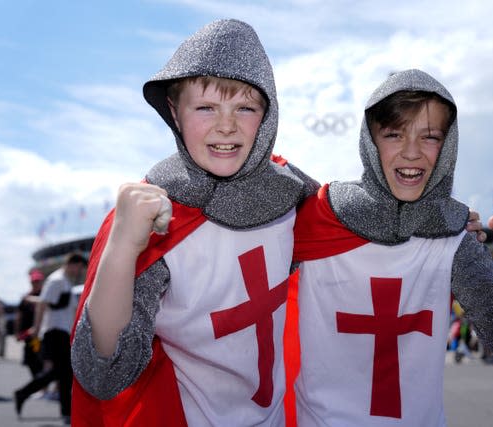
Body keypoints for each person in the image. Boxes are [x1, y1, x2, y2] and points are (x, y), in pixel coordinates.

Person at [70, 19, 319, 427]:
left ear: (268, 114)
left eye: (245, 107)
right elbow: (105, 373)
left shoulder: (292, 194)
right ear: (174, 111)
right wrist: (122, 249)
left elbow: (363, 230)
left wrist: (446, 221)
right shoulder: (154, 216)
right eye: (206, 107)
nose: (226, 125)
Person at [290, 69, 493, 425]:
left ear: (447, 146)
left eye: (429, 137)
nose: (412, 152)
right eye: (394, 134)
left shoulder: (454, 237)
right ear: (370, 140)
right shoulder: (317, 217)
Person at [14, 253, 88, 424]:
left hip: (61, 331)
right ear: (73, 264)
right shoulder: (56, 280)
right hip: (54, 331)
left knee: (63, 373)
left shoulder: (64, 281)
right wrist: (37, 328)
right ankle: (63, 410)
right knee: (64, 371)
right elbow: (42, 303)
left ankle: (64, 410)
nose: (79, 272)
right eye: (79, 268)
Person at [14, 269, 45, 378]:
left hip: (41, 335)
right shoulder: (25, 297)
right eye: (33, 282)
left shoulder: (44, 296)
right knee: (30, 360)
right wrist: (17, 333)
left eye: (38, 281)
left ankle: (42, 388)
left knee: (41, 360)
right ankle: (37, 383)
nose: (35, 284)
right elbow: (19, 316)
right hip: (28, 335)